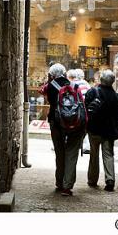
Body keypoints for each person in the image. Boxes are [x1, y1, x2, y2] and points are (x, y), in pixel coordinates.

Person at [43, 63, 85, 196]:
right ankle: (67, 186)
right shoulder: (74, 86)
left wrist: (50, 81)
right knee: (71, 153)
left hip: (56, 123)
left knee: (59, 152)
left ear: (52, 75)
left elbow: (48, 99)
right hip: (74, 124)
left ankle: (59, 182)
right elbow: (81, 104)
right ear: (65, 73)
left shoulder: (50, 86)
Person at [85, 69, 118, 192]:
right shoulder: (117, 97)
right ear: (112, 82)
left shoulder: (92, 92)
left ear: (101, 80)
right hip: (109, 131)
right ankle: (110, 180)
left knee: (94, 155)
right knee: (108, 155)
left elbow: (86, 109)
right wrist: (117, 128)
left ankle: (92, 180)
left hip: (94, 129)